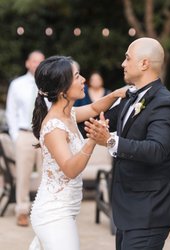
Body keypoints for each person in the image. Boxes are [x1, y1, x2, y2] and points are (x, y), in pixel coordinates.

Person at [84, 37, 170, 250]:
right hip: (128, 210)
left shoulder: (165, 103)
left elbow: (157, 150)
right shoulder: (130, 98)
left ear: (144, 63)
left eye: (127, 58)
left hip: (150, 211)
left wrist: (110, 140)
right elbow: (94, 122)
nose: (122, 63)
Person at [29, 56, 128, 250]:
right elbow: (70, 169)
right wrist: (92, 139)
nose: (83, 79)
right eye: (77, 76)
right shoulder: (53, 126)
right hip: (53, 213)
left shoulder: (69, 115)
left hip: (65, 210)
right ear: (62, 89)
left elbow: (93, 107)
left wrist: (115, 94)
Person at [5, 50, 45, 226]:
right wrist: (15, 135)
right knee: (23, 174)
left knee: (47, 174)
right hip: (24, 134)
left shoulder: (49, 84)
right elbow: (11, 111)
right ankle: (22, 210)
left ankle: (43, 210)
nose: (37, 64)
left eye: (41, 61)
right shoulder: (17, 84)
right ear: (28, 63)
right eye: (34, 61)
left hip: (45, 135)